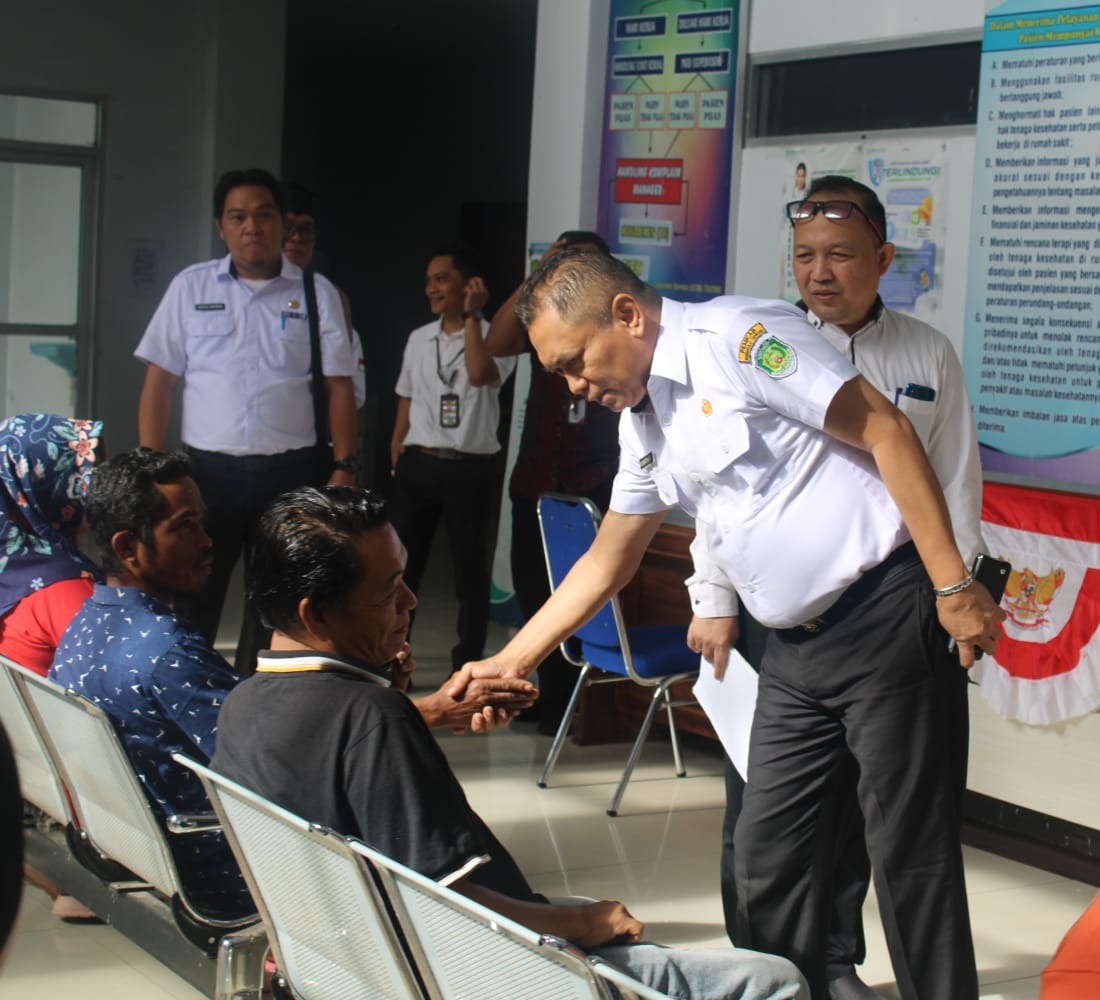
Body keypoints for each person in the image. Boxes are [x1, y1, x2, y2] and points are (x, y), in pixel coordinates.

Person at [456, 248, 1006, 1000]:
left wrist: (954, 583)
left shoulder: (741, 338)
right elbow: (608, 561)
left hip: (883, 617)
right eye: (561, 375)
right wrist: (510, 661)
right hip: (789, 649)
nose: (578, 387)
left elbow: (885, 430)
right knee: (763, 858)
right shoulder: (643, 419)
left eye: (578, 363)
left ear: (627, 314)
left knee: (911, 854)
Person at [212, 485, 807, 1000]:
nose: (412, 602)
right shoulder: (373, 718)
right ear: (315, 616)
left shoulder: (241, 707)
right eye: (390, 590)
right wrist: (583, 923)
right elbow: (457, 913)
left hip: (350, 964)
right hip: (484, 972)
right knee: (774, 981)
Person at [692, 175, 985, 1000]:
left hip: (898, 610)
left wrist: (953, 597)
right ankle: (805, 973)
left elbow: (957, 483)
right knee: (767, 827)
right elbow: (725, 487)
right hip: (779, 620)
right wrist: (710, 599)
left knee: (905, 832)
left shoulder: (925, 353)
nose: (820, 274)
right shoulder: (763, 347)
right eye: (805, 257)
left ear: (884, 258)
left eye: (841, 255)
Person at [135, 167, 359, 677]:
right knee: (195, 591)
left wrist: (345, 465)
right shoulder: (191, 287)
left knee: (276, 599)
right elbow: (160, 379)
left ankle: (258, 708)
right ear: (221, 226)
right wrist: (154, 468)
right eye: (238, 216)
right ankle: (188, 693)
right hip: (206, 476)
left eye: (263, 215)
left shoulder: (316, 291)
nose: (252, 226)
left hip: (290, 473)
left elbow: (339, 385)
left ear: (283, 224)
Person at [485, 230, 621, 733]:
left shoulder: (607, 325)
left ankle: (584, 708)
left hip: (597, 480)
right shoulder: (544, 319)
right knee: (535, 590)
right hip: (538, 480)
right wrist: (539, 274)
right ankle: (551, 698)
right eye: (563, 264)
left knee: (587, 595)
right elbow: (496, 342)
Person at [389, 243, 516, 672]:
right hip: (419, 463)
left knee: (469, 574)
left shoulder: (497, 337)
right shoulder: (418, 338)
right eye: (429, 281)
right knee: (403, 569)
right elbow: (406, 397)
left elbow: (481, 375)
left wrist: (475, 319)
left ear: (469, 285)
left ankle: (466, 663)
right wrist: (397, 445)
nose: (432, 288)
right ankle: (393, 653)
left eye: (441, 278)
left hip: (469, 469)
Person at [0, 414, 104, 677]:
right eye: (90, 477)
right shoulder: (67, 588)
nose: (106, 490)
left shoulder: (11, 565)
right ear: (51, 489)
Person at [282, 182, 367, 411]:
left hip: (313, 432)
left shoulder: (329, 295)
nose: (297, 238)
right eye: (287, 227)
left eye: (306, 230)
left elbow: (351, 392)